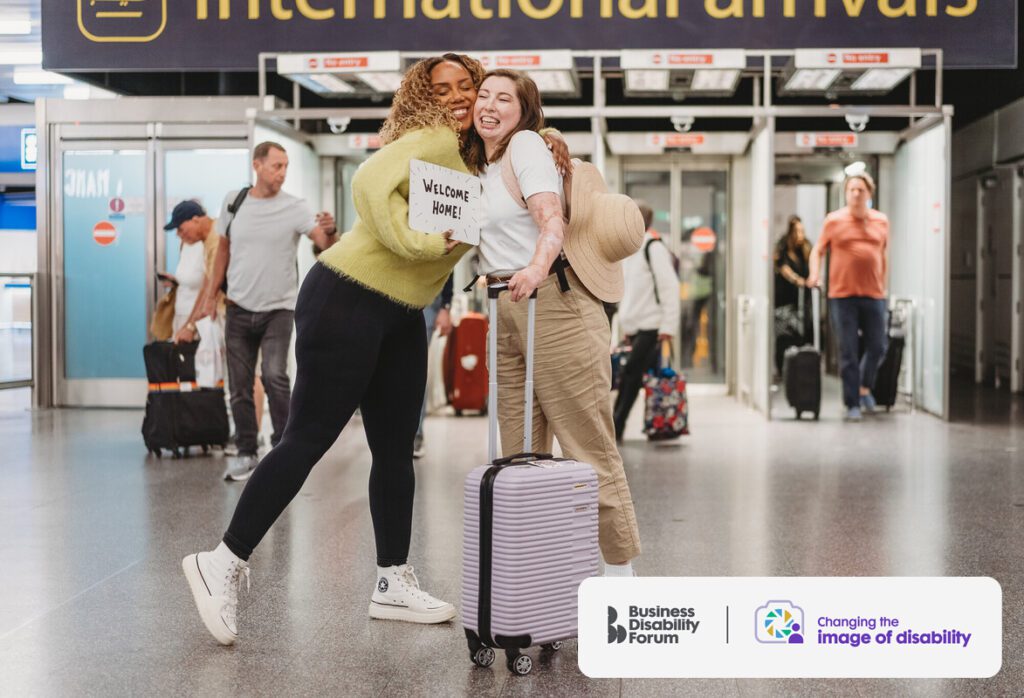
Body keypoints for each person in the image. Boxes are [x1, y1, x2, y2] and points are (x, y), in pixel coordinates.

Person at [181, 53, 568, 648]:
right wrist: (418, 244)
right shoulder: (432, 136)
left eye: (470, 85)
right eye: (446, 88)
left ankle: (392, 580)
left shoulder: (479, 157)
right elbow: (366, 184)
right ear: (424, 98)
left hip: (401, 312)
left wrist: (548, 142)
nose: (463, 97)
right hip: (349, 294)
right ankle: (223, 560)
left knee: (394, 449)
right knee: (308, 438)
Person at [468, 70, 643, 577]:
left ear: (524, 113)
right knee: (519, 453)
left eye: (505, 98)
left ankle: (620, 579)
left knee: (586, 444)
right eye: (484, 95)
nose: (490, 105)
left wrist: (535, 269)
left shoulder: (525, 146)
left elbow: (551, 221)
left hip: (553, 301)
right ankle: (537, 582)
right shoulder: (478, 164)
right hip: (503, 305)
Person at [200, 142, 338, 482]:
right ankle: (247, 450)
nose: (282, 173)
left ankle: (283, 448)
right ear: (257, 165)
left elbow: (324, 244)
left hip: (279, 308)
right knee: (240, 386)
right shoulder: (234, 202)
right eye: (277, 165)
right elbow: (223, 253)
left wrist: (331, 230)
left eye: (286, 166)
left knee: (276, 376)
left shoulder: (295, 207)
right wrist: (210, 294)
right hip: (238, 307)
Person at [807, 173, 889, 422]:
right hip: (842, 296)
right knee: (848, 351)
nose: (855, 194)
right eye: (851, 189)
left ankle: (864, 387)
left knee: (878, 346)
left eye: (860, 190)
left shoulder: (881, 221)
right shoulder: (834, 221)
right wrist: (814, 275)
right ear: (846, 193)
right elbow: (817, 250)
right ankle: (852, 402)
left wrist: (883, 284)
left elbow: (882, 255)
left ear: (869, 194)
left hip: (874, 294)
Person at [613, 200, 680, 441]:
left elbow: (670, 287)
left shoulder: (654, 248)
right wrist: (627, 327)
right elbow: (630, 292)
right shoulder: (630, 250)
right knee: (631, 375)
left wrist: (668, 327)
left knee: (631, 373)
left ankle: (616, 425)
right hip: (637, 327)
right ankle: (618, 424)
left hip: (653, 327)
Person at [414, 273, 453, 459]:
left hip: (426, 296)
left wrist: (446, 305)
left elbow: (450, 257)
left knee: (415, 369)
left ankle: (415, 434)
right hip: (391, 288)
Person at [773, 215, 812, 376]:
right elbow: (783, 269)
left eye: (802, 231)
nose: (800, 235)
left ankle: (799, 370)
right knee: (784, 337)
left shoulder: (806, 249)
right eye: (797, 231)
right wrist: (797, 280)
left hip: (802, 302)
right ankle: (783, 371)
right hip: (784, 302)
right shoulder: (782, 249)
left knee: (801, 336)